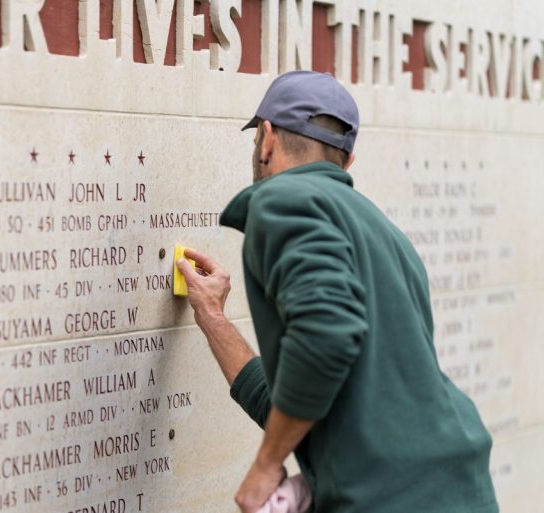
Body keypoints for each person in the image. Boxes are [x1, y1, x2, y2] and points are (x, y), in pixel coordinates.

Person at [176, 71, 499, 513]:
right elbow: (302, 399)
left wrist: (267, 463)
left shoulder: (281, 200)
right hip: (458, 489)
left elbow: (325, 338)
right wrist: (213, 318)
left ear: (266, 139)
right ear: (346, 162)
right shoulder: (386, 234)